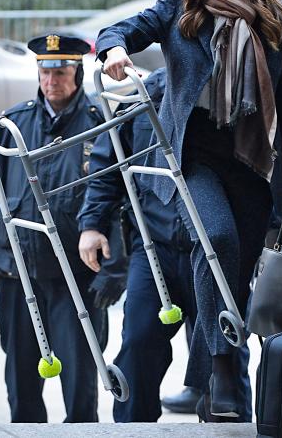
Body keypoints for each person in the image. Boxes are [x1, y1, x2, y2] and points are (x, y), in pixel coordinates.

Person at [97, 0, 282, 419]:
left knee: (233, 276)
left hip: (250, 163)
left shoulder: (276, 20)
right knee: (216, 240)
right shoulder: (181, 7)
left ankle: (213, 382)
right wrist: (114, 50)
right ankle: (219, 373)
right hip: (188, 159)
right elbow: (123, 28)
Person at [77, 68, 250, 422]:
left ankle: (225, 425)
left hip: (213, 253)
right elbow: (108, 166)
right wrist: (92, 225)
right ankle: (132, 428)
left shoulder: (226, 93)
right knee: (138, 344)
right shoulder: (141, 97)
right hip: (154, 250)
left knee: (224, 359)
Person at [0, 34, 106, 423]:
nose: (51, 80)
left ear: (77, 71)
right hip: (17, 272)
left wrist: (117, 268)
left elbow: (118, 203)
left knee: (80, 379)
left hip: (77, 275)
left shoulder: (99, 125)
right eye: (44, 70)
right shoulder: (12, 124)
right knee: (21, 378)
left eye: (60, 71)